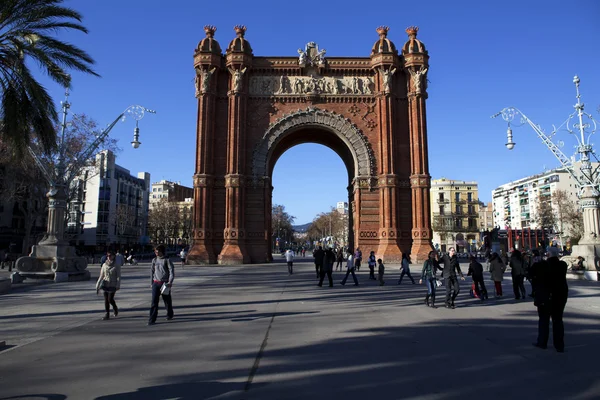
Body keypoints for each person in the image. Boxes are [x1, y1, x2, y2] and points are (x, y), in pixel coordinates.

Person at [531, 246, 568, 353]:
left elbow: (531, 274)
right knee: (558, 320)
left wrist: (536, 264)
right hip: (559, 296)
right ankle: (559, 345)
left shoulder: (542, 265)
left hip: (545, 297)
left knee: (544, 320)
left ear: (548, 254)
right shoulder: (563, 265)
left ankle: (542, 342)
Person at [148, 244, 175, 326]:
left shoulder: (167, 260)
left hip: (165, 284)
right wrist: (151, 283)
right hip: (156, 283)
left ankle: (170, 314)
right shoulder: (154, 260)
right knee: (154, 302)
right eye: (155, 251)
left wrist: (170, 282)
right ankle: (152, 319)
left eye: (157, 251)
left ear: (161, 251)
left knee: (167, 301)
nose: (156, 252)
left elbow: (171, 272)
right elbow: (152, 272)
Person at [96, 251, 121, 320]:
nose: (109, 257)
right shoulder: (104, 265)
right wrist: (97, 284)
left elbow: (118, 276)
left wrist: (118, 285)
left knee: (110, 299)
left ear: (113, 256)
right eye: (108, 256)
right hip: (105, 284)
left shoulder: (116, 265)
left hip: (113, 284)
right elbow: (101, 275)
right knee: (106, 300)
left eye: (110, 255)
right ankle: (107, 314)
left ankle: (115, 308)